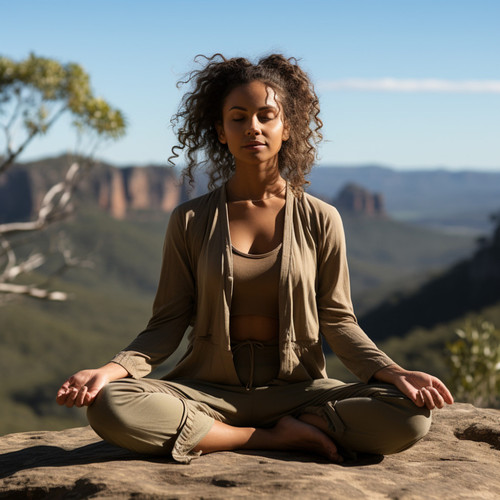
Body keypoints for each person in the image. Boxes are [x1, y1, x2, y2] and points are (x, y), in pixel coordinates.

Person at [56, 54, 453, 464]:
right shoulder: (190, 219)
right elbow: (166, 324)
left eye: (266, 116)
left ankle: (228, 435)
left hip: (297, 393)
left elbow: (338, 320)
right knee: (110, 403)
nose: (253, 128)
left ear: (287, 127)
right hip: (207, 391)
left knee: (409, 415)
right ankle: (269, 438)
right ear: (221, 132)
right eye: (238, 117)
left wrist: (393, 372)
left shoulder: (321, 218)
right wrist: (110, 371)